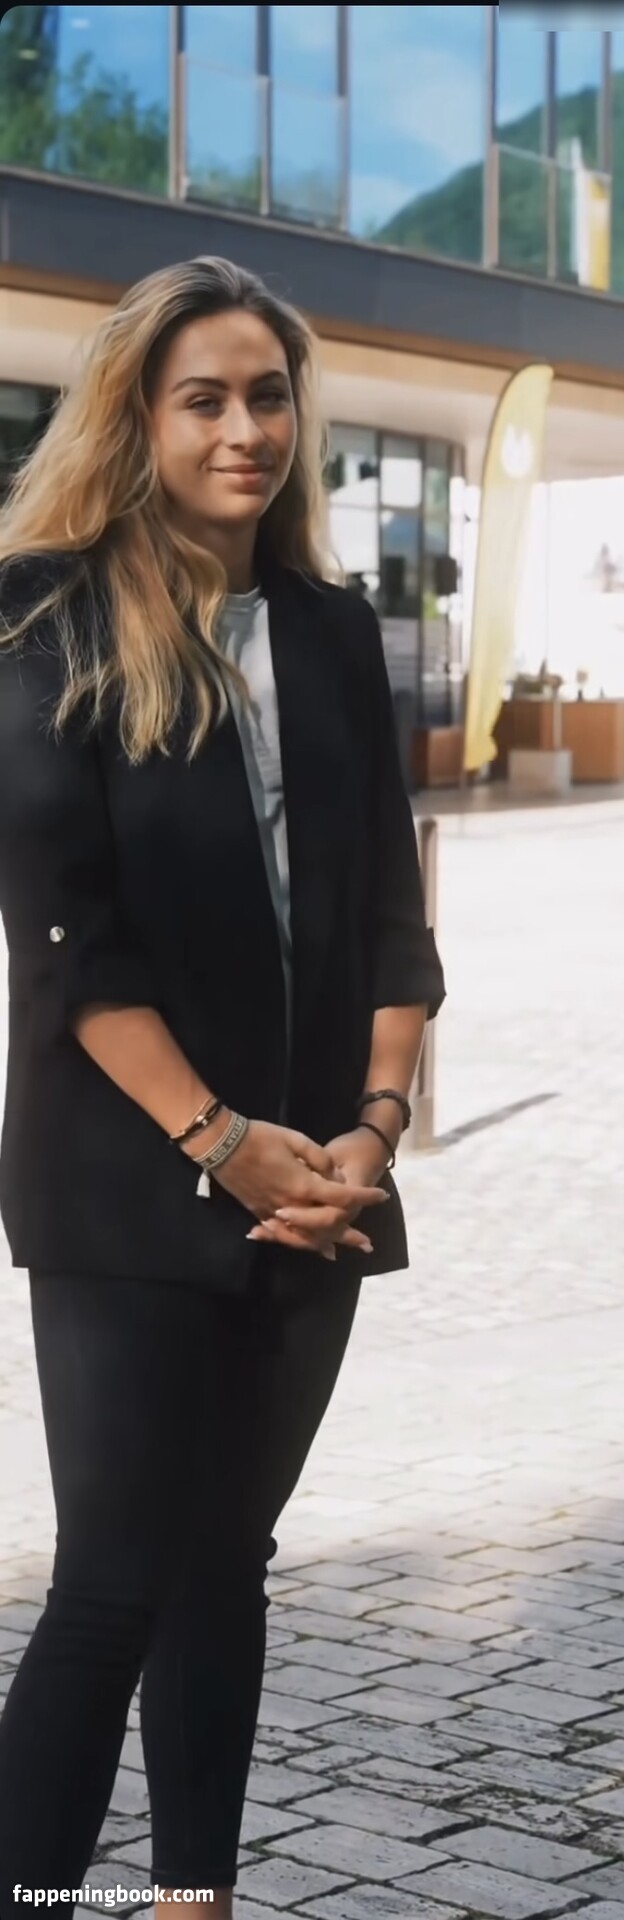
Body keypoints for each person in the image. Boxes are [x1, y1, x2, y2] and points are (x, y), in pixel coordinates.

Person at [0, 256, 445, 1916]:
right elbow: (66, 937)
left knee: (226, 1569)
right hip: (126, 1183)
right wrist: (221, 1139)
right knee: (114, 1582)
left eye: (269, 397)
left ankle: (197, 1900)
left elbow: (393, 910)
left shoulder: (331, 630)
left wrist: (371, 1130)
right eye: (206, 399)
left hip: (317, 1180)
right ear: (138, 414)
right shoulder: (40, 614)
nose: (245, 429)